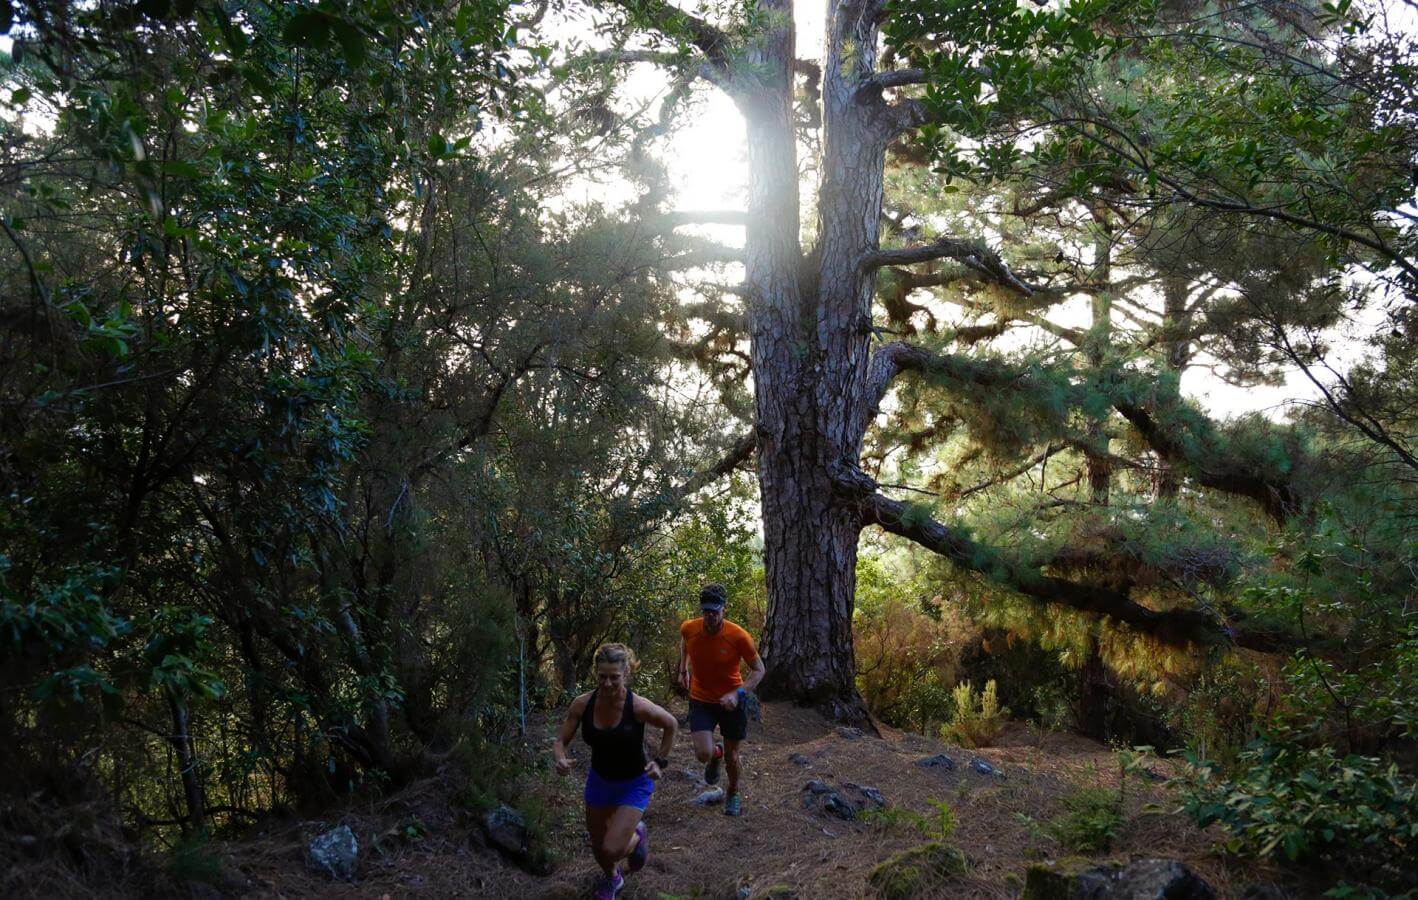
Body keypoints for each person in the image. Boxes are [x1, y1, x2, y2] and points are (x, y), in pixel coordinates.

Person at [553, 643, 677, 900]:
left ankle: (637, 836)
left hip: (634, 782)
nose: (607, 683)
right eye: (602, 676)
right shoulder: (582, 704)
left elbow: (671, 724)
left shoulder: (638, 707)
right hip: (600, 780)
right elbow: (560, 741)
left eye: (614, 677)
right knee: (598, 847)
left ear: (626, 674)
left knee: (612, 849)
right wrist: (560, 759)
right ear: (595, 674)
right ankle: (613, 879)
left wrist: (659, 762)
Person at [678, 583, 765, 817]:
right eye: (706, 611)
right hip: (701, 699)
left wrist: (738, 694)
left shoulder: (738, 636)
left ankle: (733, 791)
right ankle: (714, 755)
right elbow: (685, 644)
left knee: (733, 757)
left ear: (724, 609)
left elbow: (759, 670)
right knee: (702, 754)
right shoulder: (690, 628)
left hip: (732, 702)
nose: (710, 617)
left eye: (715, 611)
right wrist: (682, 669)